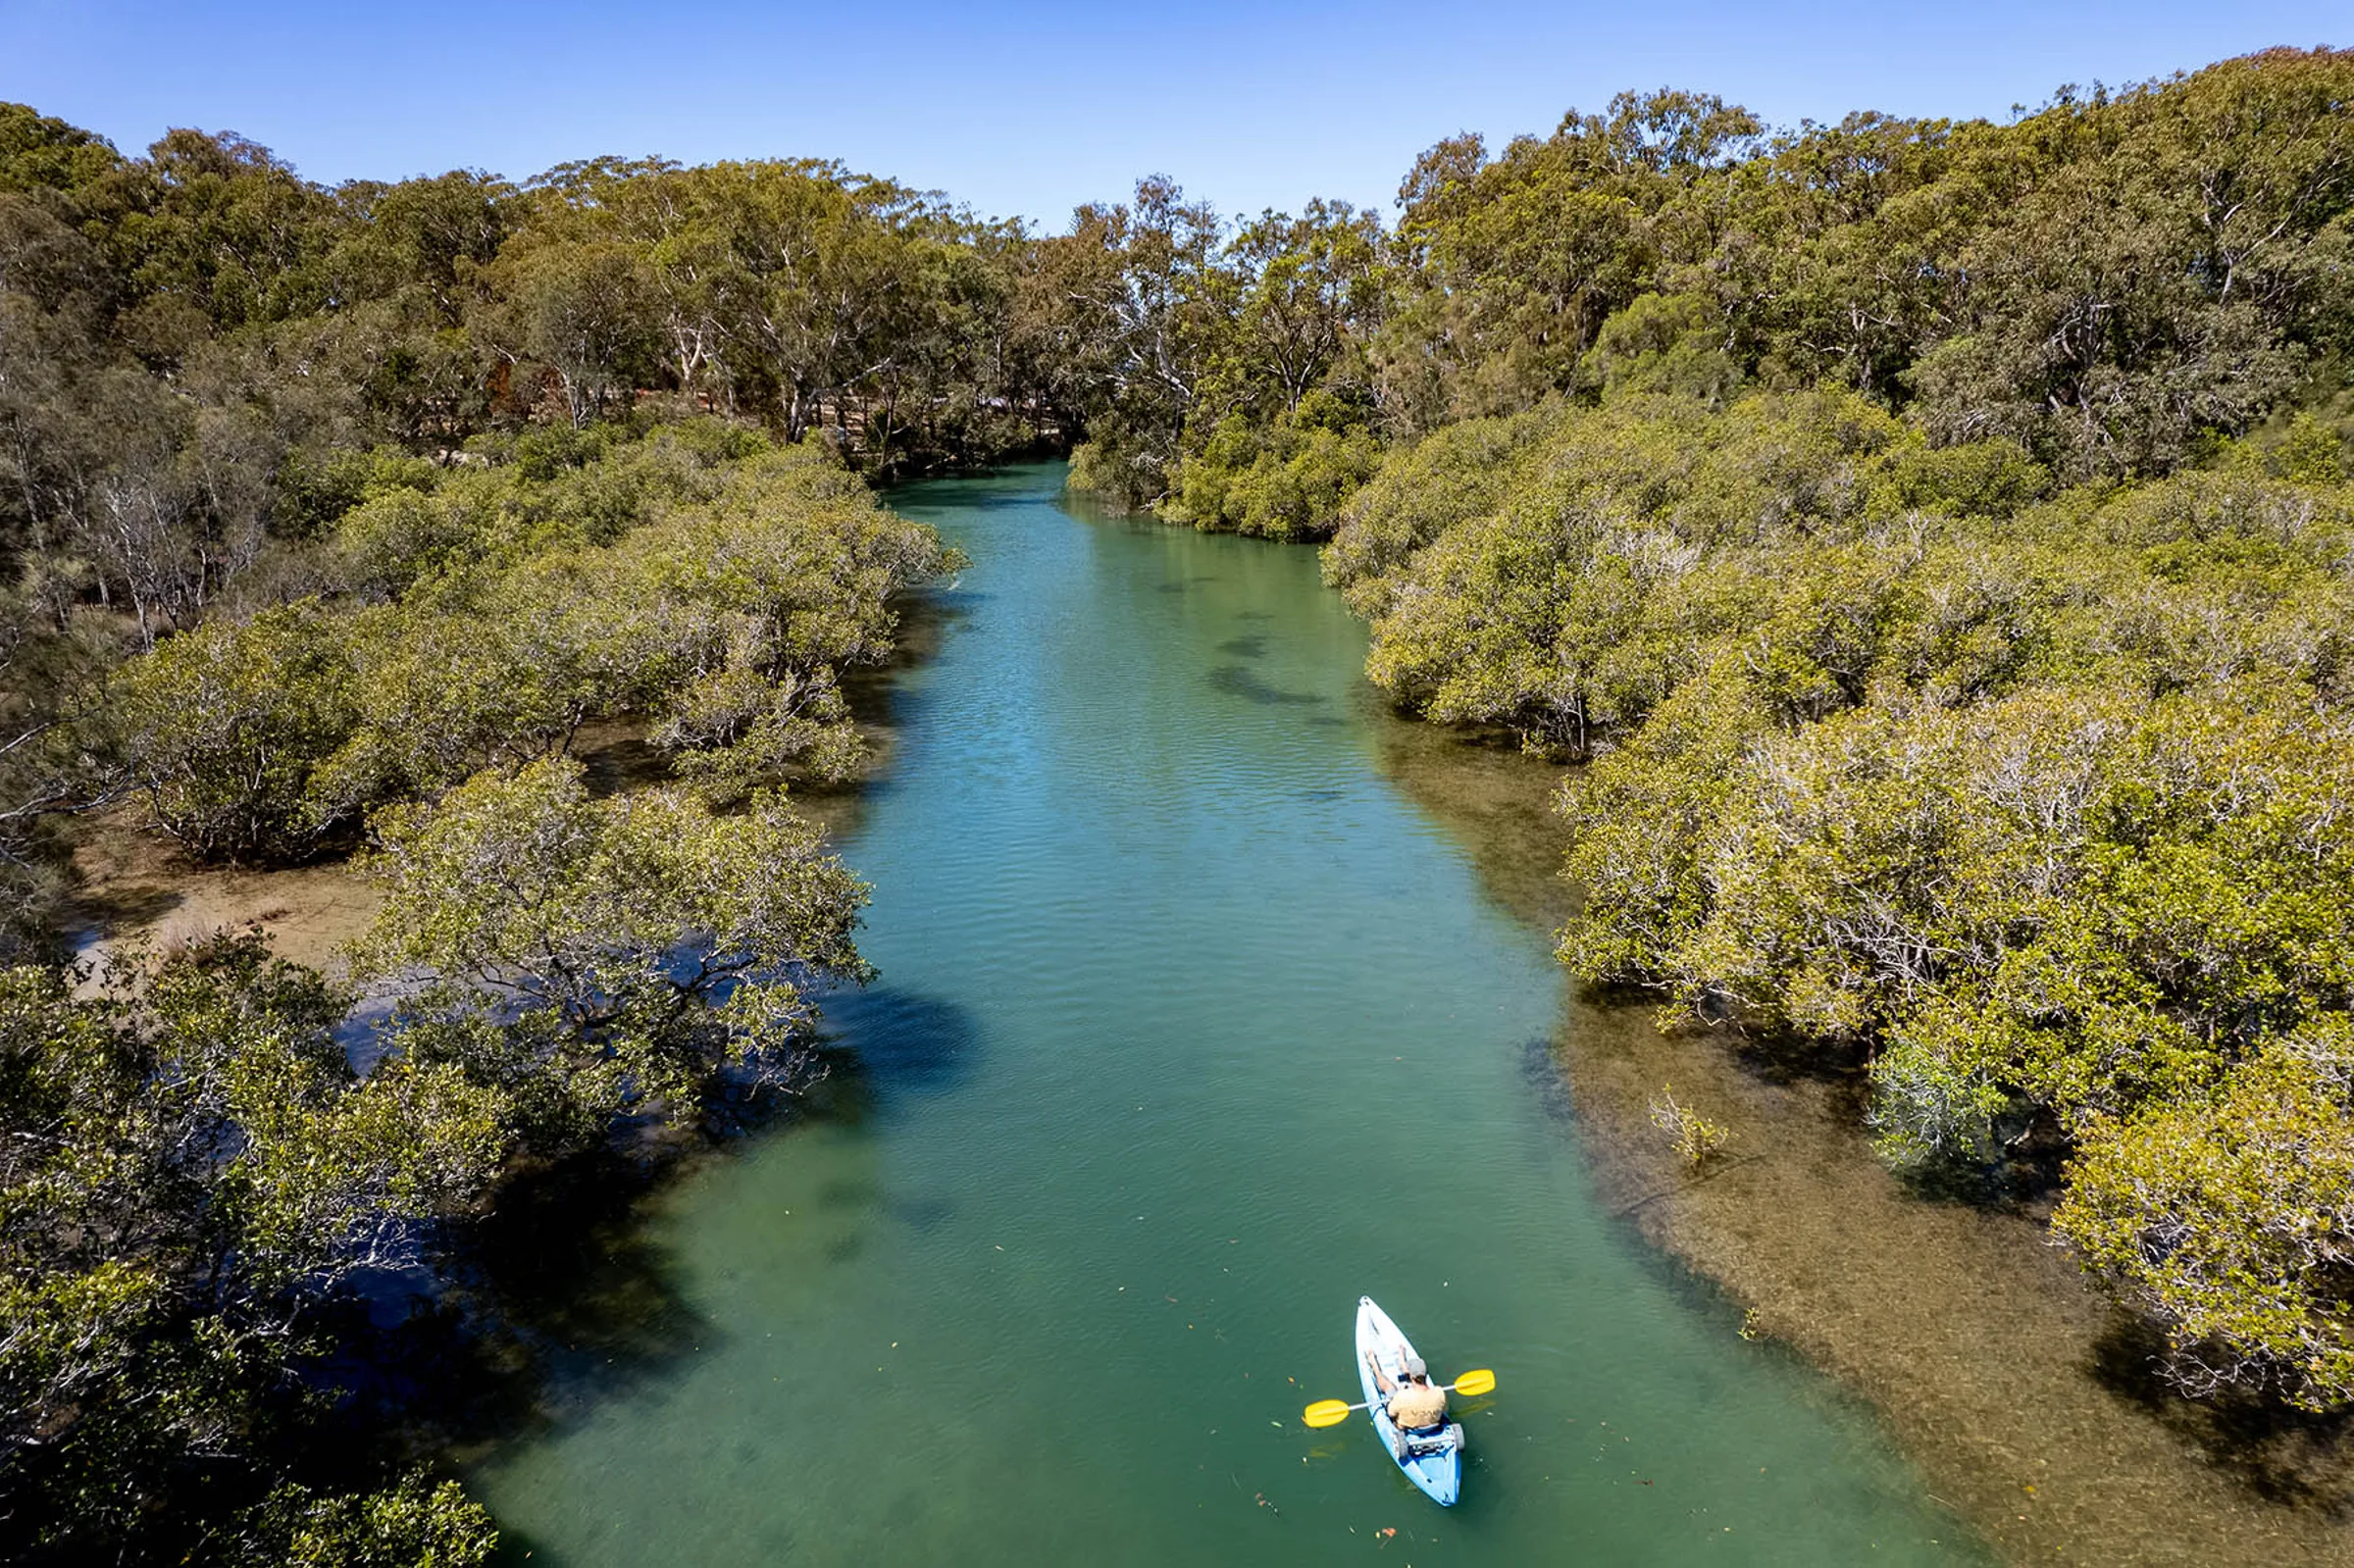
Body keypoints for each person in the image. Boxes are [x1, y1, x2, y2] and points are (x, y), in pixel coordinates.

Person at [1366, 1350, 1448, 1454]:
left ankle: (1374, 1364)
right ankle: (1401, 1357)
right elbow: (1444, 1410)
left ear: (1411, 1377)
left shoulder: (1402, 1396)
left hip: (1408, 1429)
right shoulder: (1439, 1392)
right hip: (1432, 1426)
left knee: (1389, 1386)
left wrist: (1400, 1393)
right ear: (1426, 1374)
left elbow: (1391, 1413)